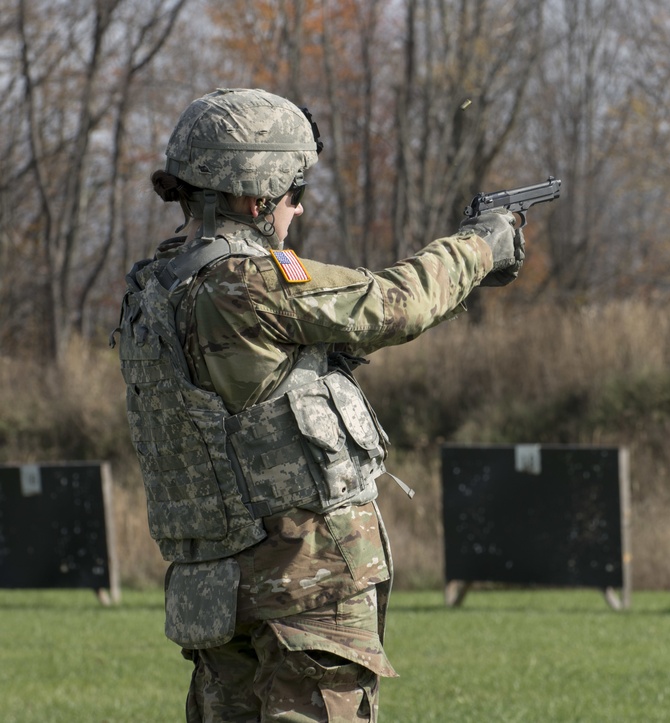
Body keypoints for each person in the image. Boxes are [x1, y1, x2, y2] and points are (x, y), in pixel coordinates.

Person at [111, 88, 524, 722]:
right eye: (293, 193)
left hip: (216, 591)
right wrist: (481, 246)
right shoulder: (250, 285)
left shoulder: (151, 293)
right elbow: (396, 301)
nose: (296, 210)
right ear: (255, 198)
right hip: (304, 590)